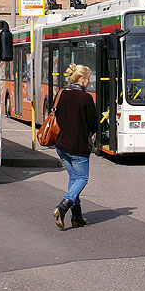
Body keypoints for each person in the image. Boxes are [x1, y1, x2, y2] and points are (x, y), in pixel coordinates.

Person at [52, 63, 99, 230]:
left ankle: (77, 217)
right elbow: (94, 123)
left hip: (61, 145)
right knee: (82, 179)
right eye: (88, 79)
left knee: (73, 179)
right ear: (82, 79)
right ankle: (62, 206)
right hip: (78, 146)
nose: (89, 82)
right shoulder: (86, 98)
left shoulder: (61, 94)